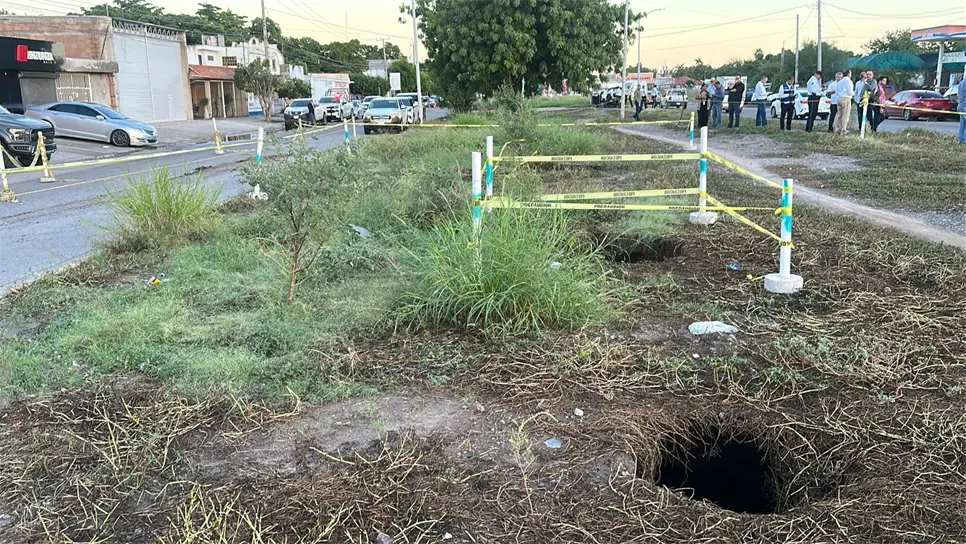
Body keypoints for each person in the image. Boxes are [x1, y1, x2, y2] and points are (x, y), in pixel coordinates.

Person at [835, 69, 854, 134]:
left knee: (839, 115)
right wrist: (855, 93)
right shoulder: (849, 82)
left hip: (839, 98)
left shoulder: (839, 82)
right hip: (846, 99)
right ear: (849, 74)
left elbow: (837, 92)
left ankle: (838, 128)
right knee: (845, 115)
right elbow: (850, 92)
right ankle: (843, 129)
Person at [958, 77, 966, 144]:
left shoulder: (961, 83)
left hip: (961, 105)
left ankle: (961, 140)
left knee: (962, 124)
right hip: (965, 106)